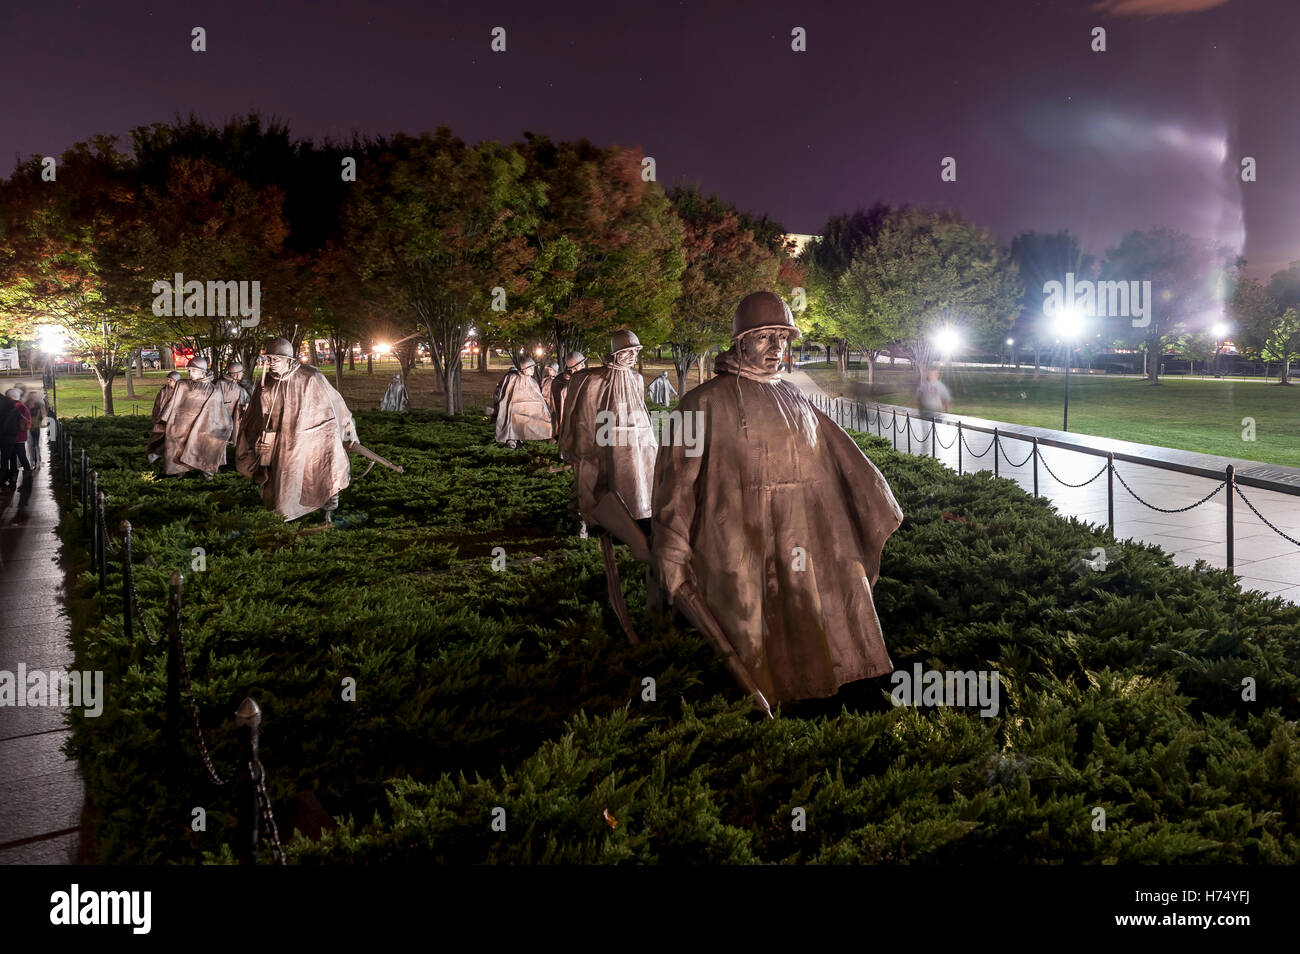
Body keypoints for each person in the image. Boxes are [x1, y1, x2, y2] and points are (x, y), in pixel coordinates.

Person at [652, 291, 904, 706]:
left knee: (811, 625)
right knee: (752, 634)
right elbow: (674, 488)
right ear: (740, 341)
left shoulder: (796, 398)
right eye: (765, 337)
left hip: (801, 539)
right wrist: (671, 550)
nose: (777, 347)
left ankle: (822, 694)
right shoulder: (699, 404)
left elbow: (840, 466)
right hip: (737, 544)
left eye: (782, 338)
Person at [236, 338, 353, 523]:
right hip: (280, 444)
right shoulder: (266, 383)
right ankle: (286, 515)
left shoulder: (311, 377)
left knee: (321, 474)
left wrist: (349, 432)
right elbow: (255, 416)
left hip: (312, 439)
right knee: (283, 483)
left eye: (276, 359)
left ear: (289, 360)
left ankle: (327, 513)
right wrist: (257, 439)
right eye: (269, 359)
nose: (272, 363)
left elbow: (336, 403)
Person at [560, 330, 657, 531]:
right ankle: (586, 516)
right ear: (615, 353)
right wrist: (583, 443)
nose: (633, 356)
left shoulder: (636, 379)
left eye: (635, 351)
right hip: (603, 438)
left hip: (632, 439)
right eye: (627, 352)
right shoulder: (593, 380)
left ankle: (634, 513)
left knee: (635, 475)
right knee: (596, 478)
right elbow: (585, 416)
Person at [158, 357, 234, 477]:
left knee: (202, 447)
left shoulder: (213, 390)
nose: (190, 373)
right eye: (189, 370)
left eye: (193, 370)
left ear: (202, 372)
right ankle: (178, 473)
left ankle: (205, 472)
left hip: (201, 426)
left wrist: (222, 427)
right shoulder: (182, 385)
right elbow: (173, 403)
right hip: (181, 425)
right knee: (176, 448)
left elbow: (217, 411)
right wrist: (166, 420)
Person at [489, 357, 552, 448]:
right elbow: (505, 395)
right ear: (524, 369)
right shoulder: (512, 379)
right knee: (514, 423)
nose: (532, 370)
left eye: (533, 368)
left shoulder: (532, 382)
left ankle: (522, 438)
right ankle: (512, 439)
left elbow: (539, 398)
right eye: (530, 368)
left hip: (529, 411)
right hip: (514, 411)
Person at [146, 372, 182, 463]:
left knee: (173, 441)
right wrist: (156, 419)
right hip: (163, 420)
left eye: (171, 380)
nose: (168, 381)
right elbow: (157, 406)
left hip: (177, 422)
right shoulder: (163, 392)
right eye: (168, 379)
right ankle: (155, 454)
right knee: (160, 438)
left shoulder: (182, 393)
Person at [0, 388, 32, 489]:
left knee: (20, 456)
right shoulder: (18, 405)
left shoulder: (17, 406)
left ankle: (26, 475)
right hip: (15, 436)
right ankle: (13, 477)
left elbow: (15, 422)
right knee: (13, 457)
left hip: (17, 437)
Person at [551, 352, 586, 439]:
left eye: (583, 363)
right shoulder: (562, 383)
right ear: (573, 369)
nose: (584, 365)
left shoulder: (581, 377)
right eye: (581, 364)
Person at [217, 362, 252, 446]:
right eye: (241, 372)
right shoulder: (240, 390)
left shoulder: (219, 383)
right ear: (236, 374)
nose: (242, 374)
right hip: (232, 420)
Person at [20, 387, 48, 466]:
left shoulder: (39, 405)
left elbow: (43, 416)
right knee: (31, 444)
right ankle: (33, 460)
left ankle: (37, 459)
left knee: (37, 444)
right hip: (29, 427)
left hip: (36, 427)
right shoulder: (25, 405)